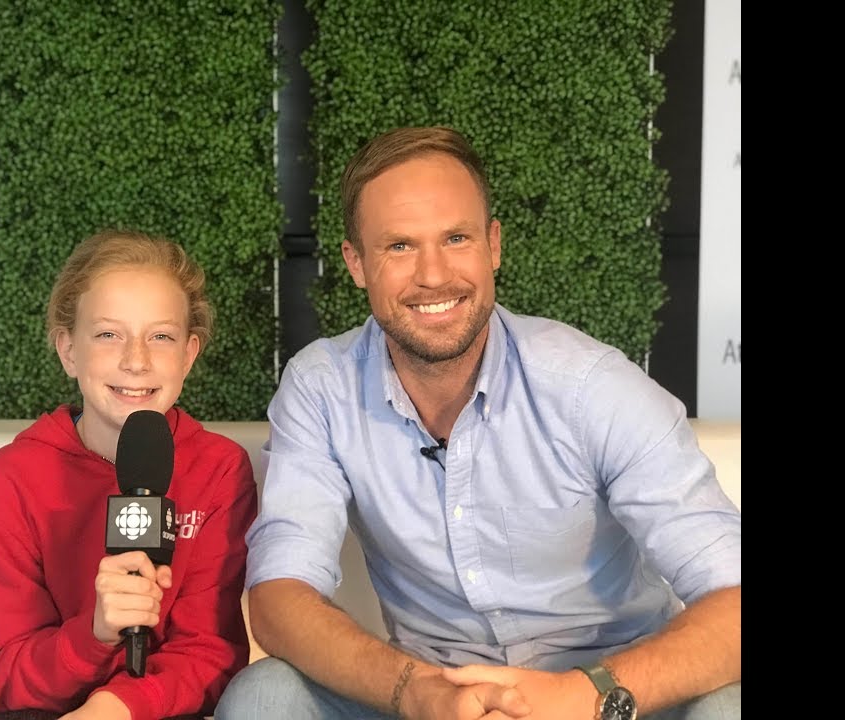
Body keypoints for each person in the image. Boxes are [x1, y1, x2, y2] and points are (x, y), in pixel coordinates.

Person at [216, 127, 740, 720]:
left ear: (493, 245)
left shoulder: (591, 384)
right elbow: (280, 597)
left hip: (609, 696)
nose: (434, 275)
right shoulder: (321, 388)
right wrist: (415, 691)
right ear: (356, 263)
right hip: (428, 695)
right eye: (399, 247)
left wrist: (581, 696)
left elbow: (736, 599)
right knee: (265, 697)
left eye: (456, 237)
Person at [0, 229, 259, 720]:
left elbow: (210, 654)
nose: (136, 360)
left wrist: (114, 708)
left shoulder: (218, 469)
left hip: (152, 707)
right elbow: (4, 676)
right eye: (107, 334)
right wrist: (95, 632)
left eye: (160, 336)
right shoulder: (10, 479)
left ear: (188, 354)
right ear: (68, 351)